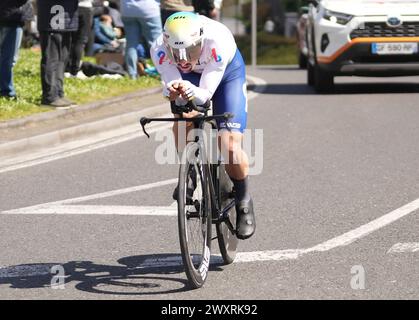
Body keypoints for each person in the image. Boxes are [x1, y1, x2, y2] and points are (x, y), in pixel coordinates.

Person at [150, 12, 255, 240]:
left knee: (228, 143)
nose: (184, 59)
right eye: (176, 53)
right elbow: (173, 85)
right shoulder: (158, 47)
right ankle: (190, 174)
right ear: (166, 43)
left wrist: (188, 91)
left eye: (191, 50)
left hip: (226, 76)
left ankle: (243, 200)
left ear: (201, 40)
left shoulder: (218, 41)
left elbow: (205, 96)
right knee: (183, 118)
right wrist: (172, 91)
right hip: (193, 80)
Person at [37, 0, 78, 107]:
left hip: (66, 19)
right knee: (52, 59)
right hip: (52, 18)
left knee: (62, 60)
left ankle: (58, 92)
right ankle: (49, 96)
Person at [0, 0, 34, 99]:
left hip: (7, 14)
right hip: (11, 16)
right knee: (8, 59)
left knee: (5, 58)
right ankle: (6, 91)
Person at [121, 0, 162, 79]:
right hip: (149, 9)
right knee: (157, 44)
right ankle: (163, 72)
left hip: (127, 9)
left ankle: (132, 74)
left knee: (131, 44)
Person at [67, 0, 94, 77]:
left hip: (69, 7)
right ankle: (74, 71)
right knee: (80, 41)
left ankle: (65, 68)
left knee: (69, 39)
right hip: (85, 8)